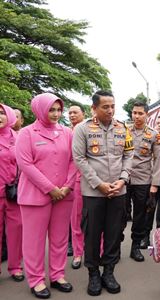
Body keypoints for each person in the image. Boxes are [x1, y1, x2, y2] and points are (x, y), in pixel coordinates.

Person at [72, 90, 133, 296]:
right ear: (94, 108)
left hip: (118, 191)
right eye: (105, 106)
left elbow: (128, 154)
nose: (110, 110)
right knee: (92, 234)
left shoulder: (122, 128)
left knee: (114, 234)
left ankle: (109, 272)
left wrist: (123, 178)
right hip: (93, 192)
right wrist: (99, 184)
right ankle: (93, 274)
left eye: (112, 106)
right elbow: (79, 159)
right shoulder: (82, 129)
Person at [16, 93, 76, 298]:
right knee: (34, 241)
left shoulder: (67, 132)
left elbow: (74, 161)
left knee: (60, 238)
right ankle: (36, 280)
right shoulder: (26, 133)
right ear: (40, 109)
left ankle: (58, 275)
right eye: (51, 109)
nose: (56, 114)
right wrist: (50, 188)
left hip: (64, 195)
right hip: (35, 196)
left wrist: (67, 186)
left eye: (59, 110)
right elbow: (25, 164)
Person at [123, 101, 160, 262]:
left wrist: (154, 184)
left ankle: (135, 246)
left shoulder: (153, 135)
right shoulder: (123, 131)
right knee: (120, 214)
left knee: (139, 216)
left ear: (147, 115)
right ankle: (115, 245)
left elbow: (158, 160)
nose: (136, 116)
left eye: (140, 113)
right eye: (134, 113)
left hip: (143, 180)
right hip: (123, 179)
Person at [0, 104, 24, 282]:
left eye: (1, 113)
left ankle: (15, 267)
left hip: (14, 193)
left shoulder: (19, 137)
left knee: (16, 231)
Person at [140, 115, 160, 249]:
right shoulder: (154, 140)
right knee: (149, 210)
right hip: (154, 181)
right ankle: (145, 237)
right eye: (157, 123)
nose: (159, 125)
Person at [68, 105, 85, 269]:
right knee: (76, 219)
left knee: (96, 220)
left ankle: (99, 251)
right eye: (70, 113)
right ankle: (78, 253)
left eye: (75, 112)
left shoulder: (90, 129)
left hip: (94, 182)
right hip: (76, 182)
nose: (72, 115)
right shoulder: (67, 132)